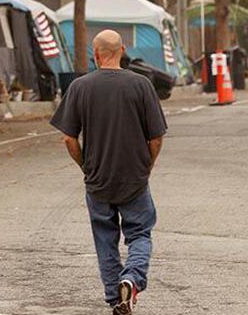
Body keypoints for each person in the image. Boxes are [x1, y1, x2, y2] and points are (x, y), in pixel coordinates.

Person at [50, 30, 166, 314]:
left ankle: (116, 298)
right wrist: (146, 166)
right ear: (122, 50)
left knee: (105, 239)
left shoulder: (80, 87)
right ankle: (132, 278)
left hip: (98, 178)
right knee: (139, 234)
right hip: (134, 178)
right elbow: (156, 137)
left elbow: (68, 137)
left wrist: (85, 166)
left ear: (95, 53)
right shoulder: (141, 85)